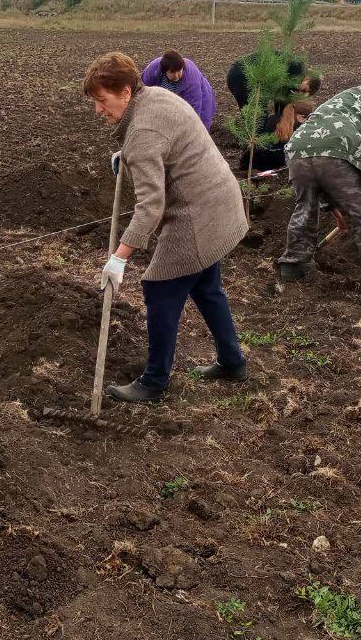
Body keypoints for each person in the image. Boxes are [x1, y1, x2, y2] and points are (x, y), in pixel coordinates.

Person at [85, 52, 248, 403]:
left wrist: (119, 258)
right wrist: (126, 156)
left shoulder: (143, 130)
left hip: (198, 214)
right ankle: (233, 362)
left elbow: (150, 207)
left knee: (159, 287)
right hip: (220, 199)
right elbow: (161, 146)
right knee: (206, 286)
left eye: (102, 100)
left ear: (126, 92)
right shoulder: (155, 97)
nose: (97, 110)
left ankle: (154, 381)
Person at [276, 86, 361, 304]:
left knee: (305, 206)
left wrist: (339, 216)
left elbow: (325, 182)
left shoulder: (332, 108)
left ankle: (295, 264)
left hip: (298, 148)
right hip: (339, 148)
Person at [139, 49, 217, 129]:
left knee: (199, 129)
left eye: (179, 71)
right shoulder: (153, 70)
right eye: (172, 72)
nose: (176, 76)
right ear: (164, 71)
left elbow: (194, 109)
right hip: (170, 100)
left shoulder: (191, 79)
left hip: (201, 101)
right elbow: (142, 92)